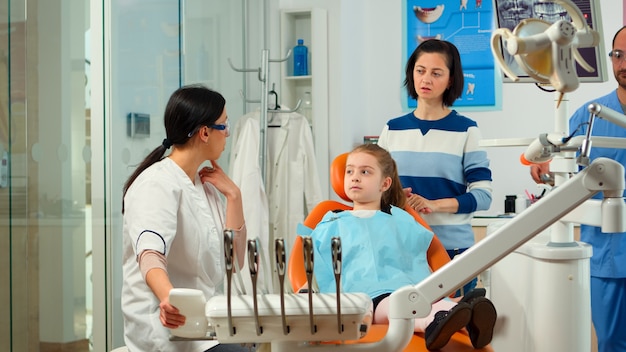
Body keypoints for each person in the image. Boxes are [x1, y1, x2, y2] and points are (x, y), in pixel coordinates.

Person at [310, 144, 497, 351]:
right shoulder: (331, 221)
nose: (355, 177)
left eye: (365, 172)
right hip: (366, 298)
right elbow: (314, 261)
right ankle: (440, 319)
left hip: (411, 289)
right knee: (398, 305)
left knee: (415, 299)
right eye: (350, 171)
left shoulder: (401, 218)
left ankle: (462, 315)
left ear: (385, 183)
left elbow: (424, 255)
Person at [121, 85, 251, 352]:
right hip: (165, 331)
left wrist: (234, 197)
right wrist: (167, 297)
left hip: (203, 327)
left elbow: (235, 262)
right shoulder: (157, 184)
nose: (227, 134)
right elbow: (149, 253)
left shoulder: (205, 186)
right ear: (205, 133)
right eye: (224, 126)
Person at [530, 26, 626, 352]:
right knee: (612, 341)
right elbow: (568, 172)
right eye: (618, 55)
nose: (623, 62)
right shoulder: (590, 116)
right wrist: (547, 169)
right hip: (606, 256)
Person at [377, 39, 493, 297]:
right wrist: (392, 195)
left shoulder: (466, 129)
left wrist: (434, 204)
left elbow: (483, 196)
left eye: (436, 73)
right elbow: (378, 187)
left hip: (453, 252)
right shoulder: (392, 129)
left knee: (451, 333)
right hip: (401, 250)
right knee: (405, 332)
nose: (426, 79)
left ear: (450, 80)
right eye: (420, 71)